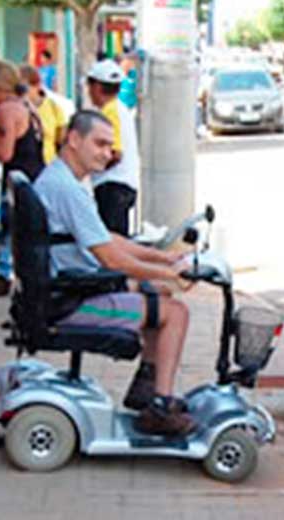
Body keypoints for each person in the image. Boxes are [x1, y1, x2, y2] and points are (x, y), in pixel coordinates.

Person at [34, 110, 196, 436]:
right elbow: (111, 258)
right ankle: (161, 407)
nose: (108, 153)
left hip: (69, 287)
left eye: (110, 146)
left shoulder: (63, 180)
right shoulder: (67, 190)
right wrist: (171, 275)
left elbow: (107, 238)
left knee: (158, 294)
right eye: (100, 144)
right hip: (70, 301)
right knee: (175, 312)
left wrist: (163, 259)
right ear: (74, 139)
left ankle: (146, 389)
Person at [0, 60, 45, 298]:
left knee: (18, 241)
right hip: (35, 179)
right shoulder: (28, 106)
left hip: (20, 183)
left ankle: (19, 290)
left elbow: (5, 153)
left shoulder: (6, 111)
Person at [86, 59, 140, 237]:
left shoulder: (110, 111)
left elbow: (115, 153)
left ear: (96, 87)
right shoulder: (119, 109)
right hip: (122, 185)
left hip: (113, 186)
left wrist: (91, 166)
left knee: (112, 242)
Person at [18, 64, 66, 164]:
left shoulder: (53, 107)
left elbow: (62, 141)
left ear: (37, 85)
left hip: (48, 166)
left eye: (24, 87)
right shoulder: (16, 108)